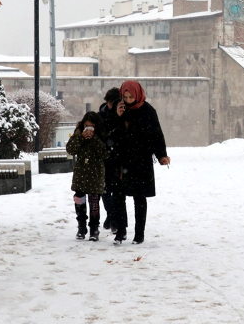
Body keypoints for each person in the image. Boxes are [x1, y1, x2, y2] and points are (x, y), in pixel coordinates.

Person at [112, 80, 170, 245]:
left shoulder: (148, 111)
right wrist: (117, 116)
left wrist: (161, 155)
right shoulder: (119, 108)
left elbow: (156, 134)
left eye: (131, 97)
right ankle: (121, 231)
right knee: (118, 196)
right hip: (121, 160)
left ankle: (139, 234)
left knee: (139, 197)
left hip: (140, 160)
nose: (128, 100)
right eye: (125, 97)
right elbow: (111, 131)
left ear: (137, 95)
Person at [65, 111, 108, 242]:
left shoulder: (101, 135)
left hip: (96, 173)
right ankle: (81, 227)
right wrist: (81, 137)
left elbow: (105, 153)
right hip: (81, 172)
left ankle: (94, 229)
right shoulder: (78, 133)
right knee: (79, 200)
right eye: (86, 126)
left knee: (94, 202)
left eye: (91, 126)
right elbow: (71, 149)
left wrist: (94, 138)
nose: (89, 129)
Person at [98, 87, 121, 232]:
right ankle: (111, 215)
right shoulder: (101, 114)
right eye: (109, 102)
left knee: (115, 190)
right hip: (105, 157)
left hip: (117, 157)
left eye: (113, 102)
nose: (110, 105)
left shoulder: (121, 114)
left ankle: (112, 217)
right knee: (105, 190)